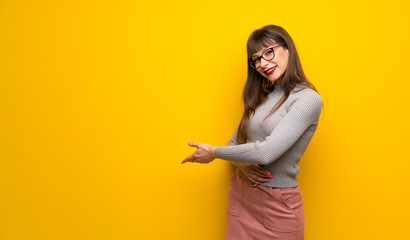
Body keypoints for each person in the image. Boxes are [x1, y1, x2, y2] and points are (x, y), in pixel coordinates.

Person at [182, 24, 323, 240]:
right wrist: (240, 164)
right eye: (256, 59)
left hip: (278, 205)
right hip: (242, 195)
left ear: (288, 48)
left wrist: (213, 153)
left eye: (269, 52)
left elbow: (267, 152)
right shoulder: (261, 96)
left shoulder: (307, 99)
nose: (263, 64)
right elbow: (233, 143)